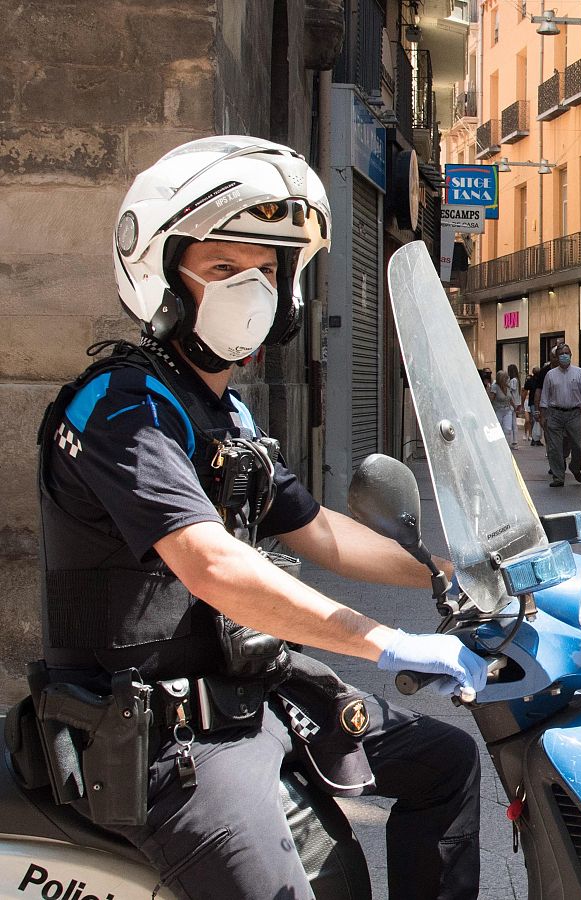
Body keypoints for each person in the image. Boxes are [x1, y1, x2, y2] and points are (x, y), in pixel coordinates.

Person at [32, 136, 486, 899]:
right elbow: (211, 564)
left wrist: (451, 576)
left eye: (268, 270)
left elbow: (319, 530)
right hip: (157, 735)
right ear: (161, 274)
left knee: (445, 762)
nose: (253, 286)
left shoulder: (225, 412)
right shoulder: (120, 410)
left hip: (246, 694)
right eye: (223, 268)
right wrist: (382, 640)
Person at [535, 343, 581, 487]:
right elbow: (544, 396)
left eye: (567, 353)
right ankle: (558, 476)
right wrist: (542, 414)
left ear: (571, 355)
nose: (564, 356)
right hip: (555, 414)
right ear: (557, 358)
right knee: (554, 447)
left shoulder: (579, 372)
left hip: (574, 414)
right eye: (561, 354)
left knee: (578, 444)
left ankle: (575, 467)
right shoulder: (550, 375)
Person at [489, 369, 518, 448]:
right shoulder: (495, 387)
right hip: (498, 410)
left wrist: (515, 407)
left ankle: (506, 446)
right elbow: (491, 399)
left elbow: (510, 398)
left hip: (507, 410)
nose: (507, 379)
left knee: (508, 429)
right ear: (501, 378)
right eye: (505, 378)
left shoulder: (507, 387)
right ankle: (497, 445)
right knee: (498, 428)